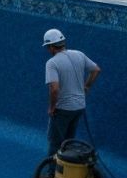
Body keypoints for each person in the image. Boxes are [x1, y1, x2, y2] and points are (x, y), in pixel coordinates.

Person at [43, 28, 101, 163]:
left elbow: (54, 89)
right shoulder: (79, 54)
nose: (47, 50)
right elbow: (96, 70)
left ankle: (52, 173)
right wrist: (86, 87)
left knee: (55, 142)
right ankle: (67, 169)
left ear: (51, 47)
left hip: (63, 109)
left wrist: (52, 108)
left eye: (47, 47)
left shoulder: (52, 63)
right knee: (69, 141)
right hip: (79, 107)